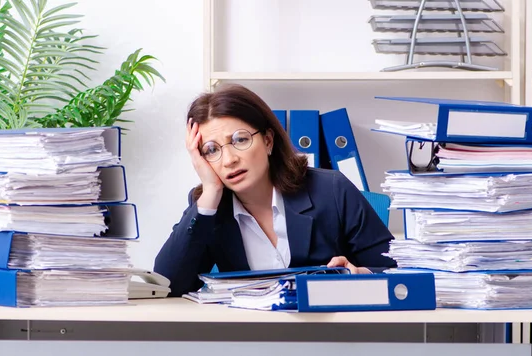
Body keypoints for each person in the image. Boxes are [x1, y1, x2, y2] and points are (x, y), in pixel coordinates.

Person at [154, 84, 396, 296]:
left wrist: (357, 274)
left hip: (330, 336)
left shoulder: (331, 189)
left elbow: (395, 271)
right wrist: (209, 193)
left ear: (268, 141)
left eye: (240, 140)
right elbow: (170, 285)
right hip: (252, 339)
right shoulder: (209, 209)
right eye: (211, 150)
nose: (228, 160)